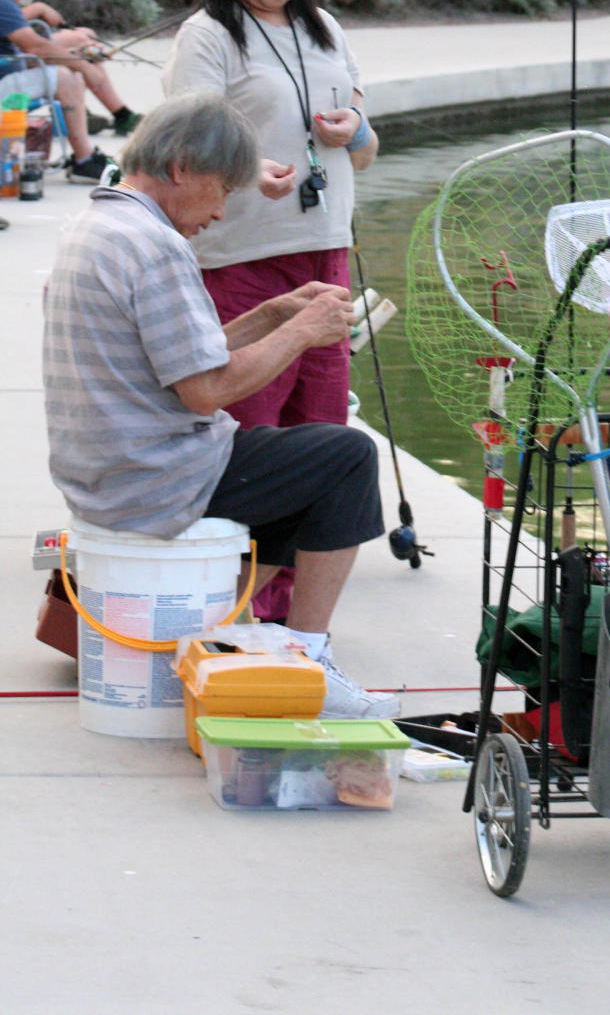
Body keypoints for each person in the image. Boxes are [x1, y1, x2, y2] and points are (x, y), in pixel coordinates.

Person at [42, 92, 397, 718]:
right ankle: (308, 658)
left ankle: (216, 640)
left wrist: (271, 313)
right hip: (153, 477)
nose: (222, 210)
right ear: (181, 168)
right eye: (222, 190)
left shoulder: (98, 224)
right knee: (345, 457)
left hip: (107, 467)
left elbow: (175, 359)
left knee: (296, 474)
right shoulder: (155, 246)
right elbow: (205, 390)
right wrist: (303, 331)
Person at [163, 0, 379, 617]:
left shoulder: (324, 30)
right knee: (249, 435)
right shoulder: (209, 35)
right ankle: (231, 600)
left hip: (325, 251)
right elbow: (182, 146)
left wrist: (354, 132)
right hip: (243, 261)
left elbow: (366, 144)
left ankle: (286, 609)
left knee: (321, 427)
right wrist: (247, 168)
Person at [0, 0, 140, 178]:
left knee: (72, 59)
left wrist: (75, 55)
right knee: (68, 76)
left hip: (9, 66)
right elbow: (34, 47)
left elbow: (24, 47)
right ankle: (84, 160)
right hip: (5, 75)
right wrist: (82, 66)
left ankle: (99, 137)